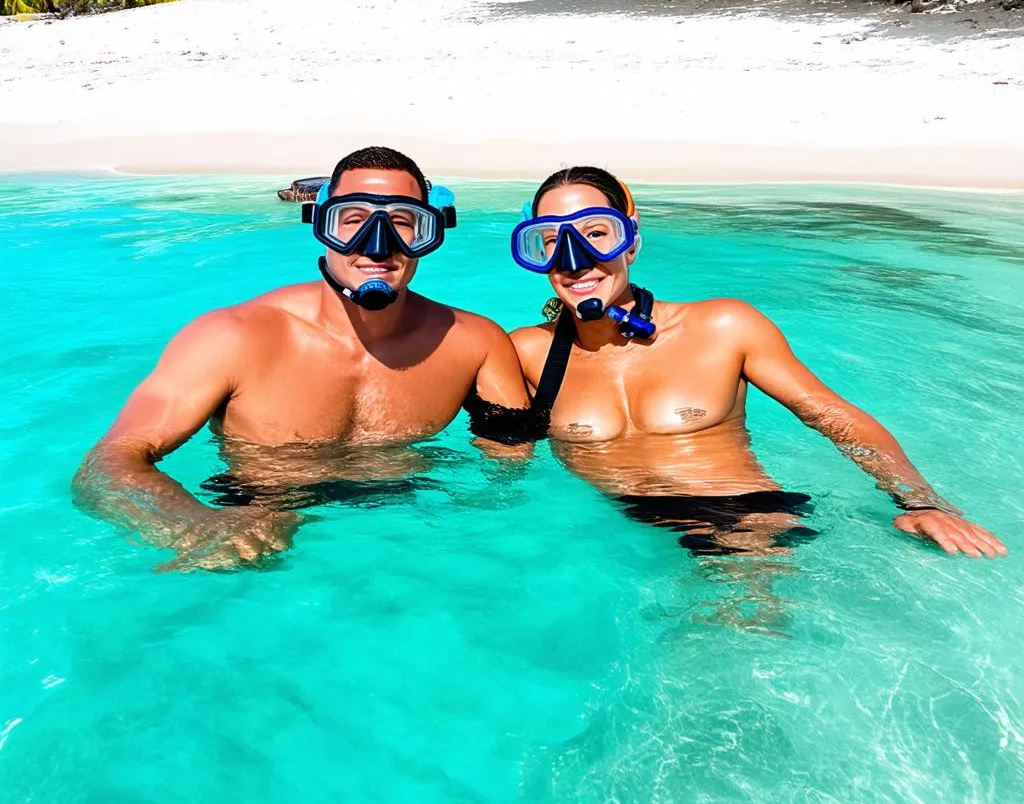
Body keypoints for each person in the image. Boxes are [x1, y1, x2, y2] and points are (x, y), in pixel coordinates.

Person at [509, 166, 1007, 560]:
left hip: (748, 525)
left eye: (596, 233)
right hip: (627, 530)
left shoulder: (724, 326)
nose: (573, 259)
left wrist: (919, 501)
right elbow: (495, 448)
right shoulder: (528, 353)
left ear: (632, 241)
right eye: (550, 241)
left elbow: (831, 416)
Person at [74, 146, 533, 571]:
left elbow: (512, 467)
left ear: (430, 233)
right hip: (262, 524)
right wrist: (194, 526)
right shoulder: (231, 337)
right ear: (321, 226)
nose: (378, 244)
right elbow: (109, 465)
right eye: (352, 220)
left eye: (403, 221)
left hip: (411, 524)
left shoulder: (475, 342)